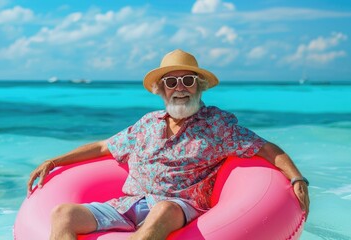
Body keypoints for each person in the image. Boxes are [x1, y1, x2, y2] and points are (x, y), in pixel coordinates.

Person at [27, 49, 310, 240]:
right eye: (171, 82)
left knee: (163, 210)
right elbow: (104, 147)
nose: (180, 87)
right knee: (63, 213)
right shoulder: (147, 123)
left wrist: (296, 177)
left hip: (178, 206)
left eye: (187, 80)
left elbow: (266, 147)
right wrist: (55, 161)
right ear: (161, 89)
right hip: (128, 204)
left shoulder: (217, 125)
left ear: (199, 86)